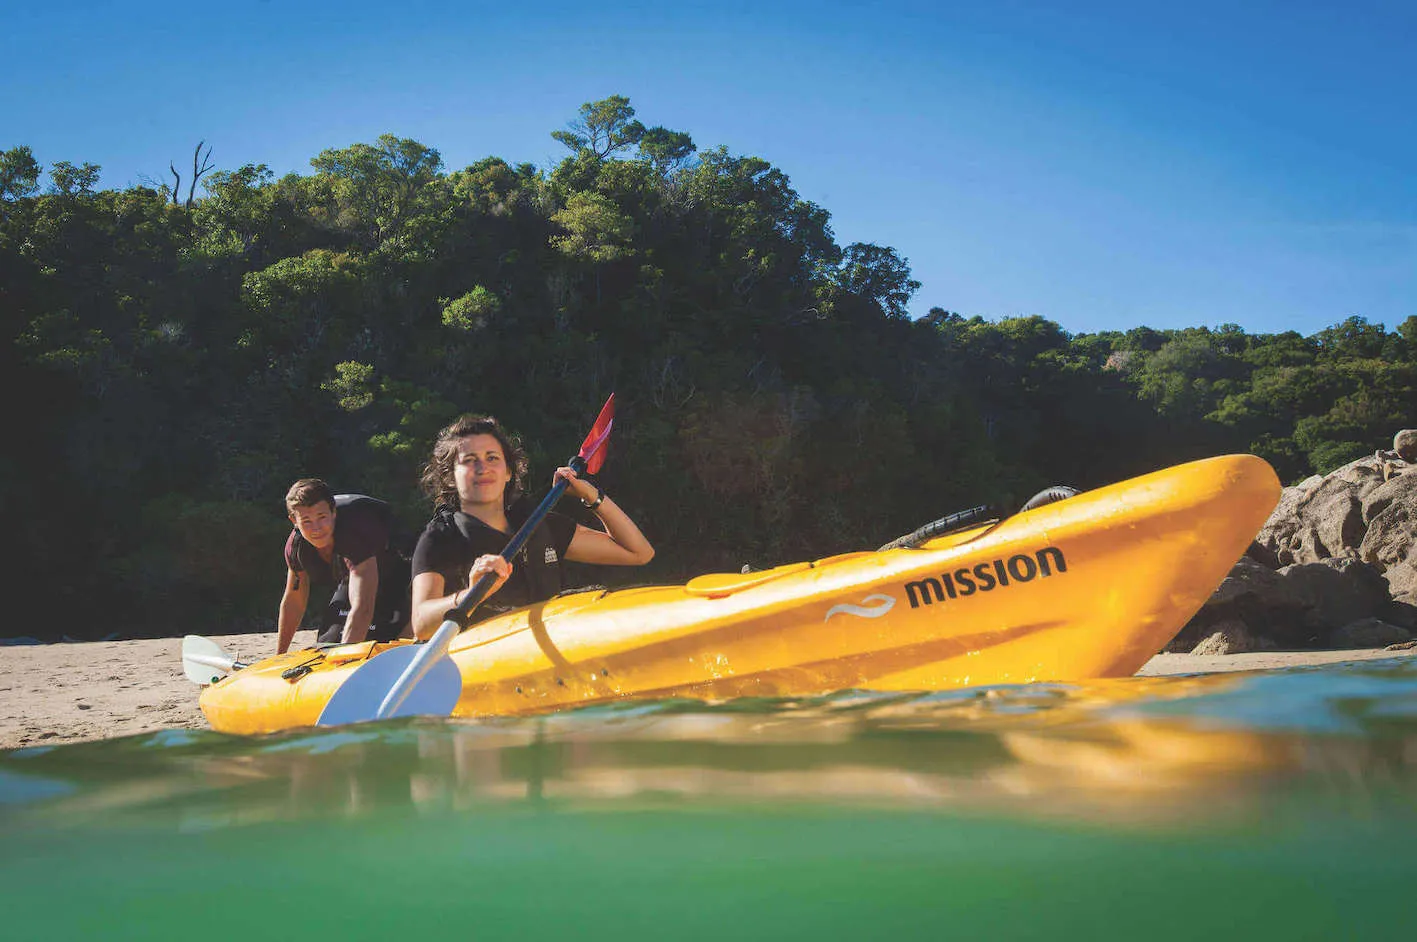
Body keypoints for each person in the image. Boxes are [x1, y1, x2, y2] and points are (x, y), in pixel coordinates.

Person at [410, 414, 654, 638]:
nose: (482, 468)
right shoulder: (440, 538)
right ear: (451, 477)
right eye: (469, 460)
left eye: (492, 458)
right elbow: (421, 625)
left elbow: (639, 552)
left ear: (508, 472)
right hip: (478, 668)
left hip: (545, 663)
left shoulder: (539, 525)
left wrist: (591, 495)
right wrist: (472, 594)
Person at [278, 479, 413, 654]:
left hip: (400, 567)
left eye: (322, 517)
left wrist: (345, 659)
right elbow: (294, 601)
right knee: (329, 642)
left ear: (333, 512)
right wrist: (279, 655)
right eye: (306, 521)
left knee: (388, 640)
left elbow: (362, 606)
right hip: (353, 574)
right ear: (294, 521)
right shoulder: (296, 547)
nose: (316, 528)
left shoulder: (355, 534)